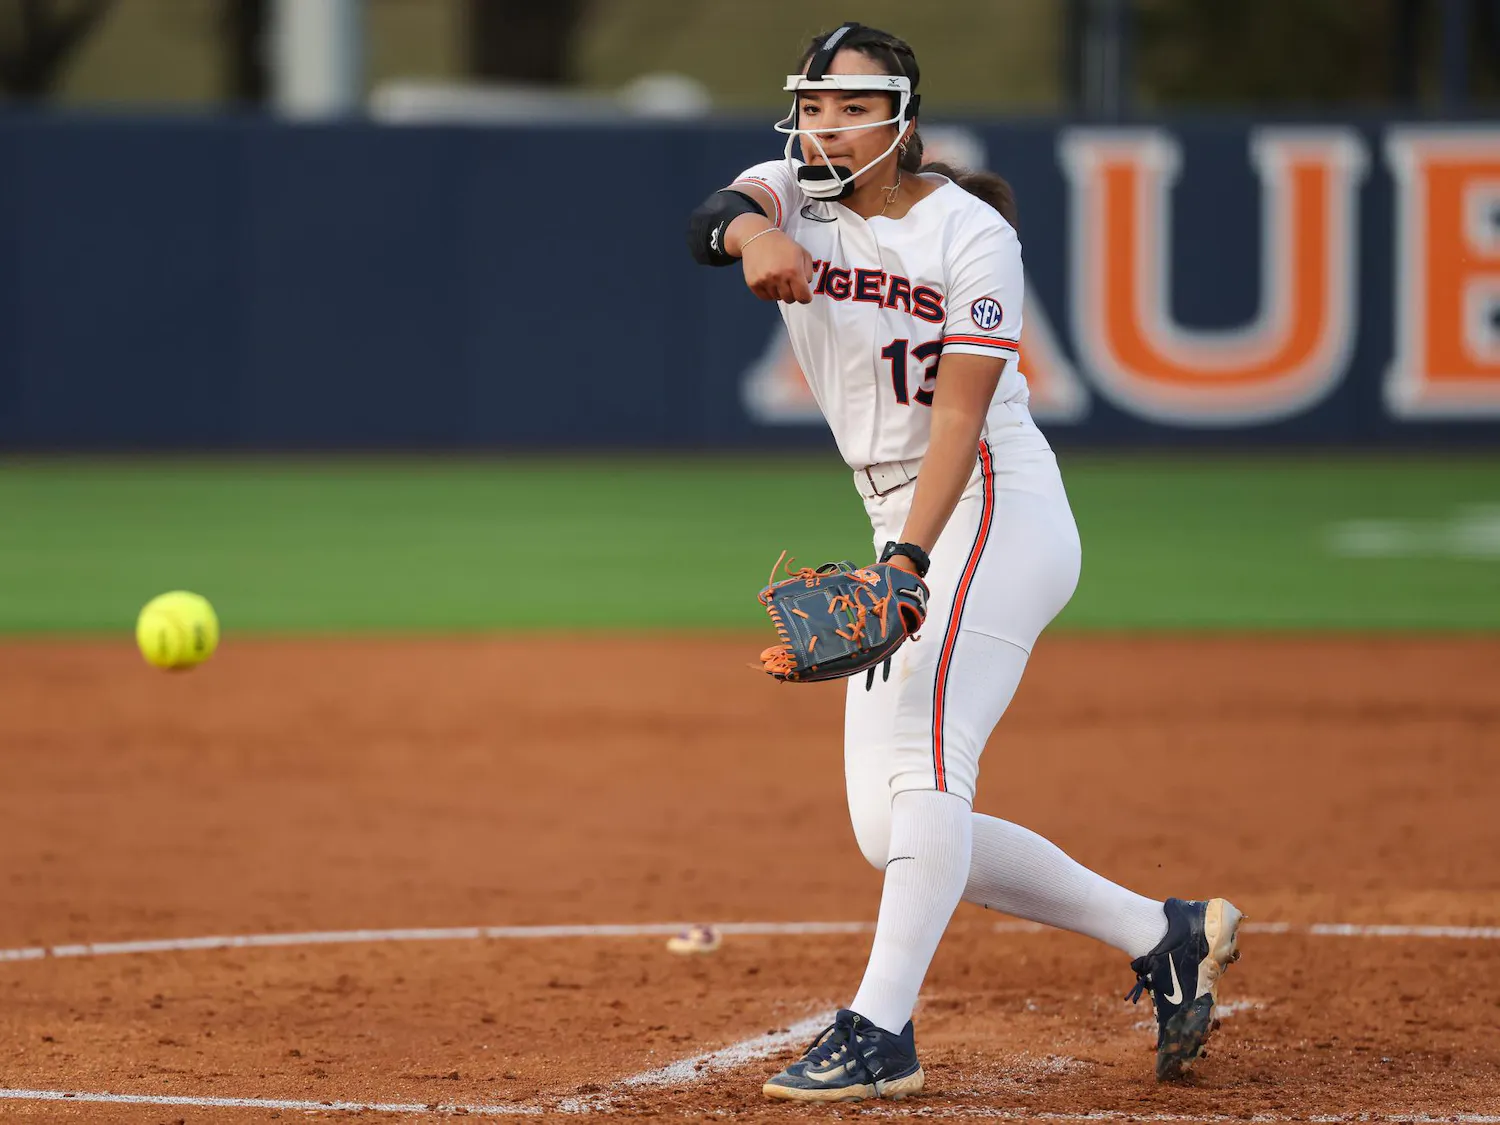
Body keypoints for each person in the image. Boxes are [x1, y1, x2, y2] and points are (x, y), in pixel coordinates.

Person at [685, 22, 1243, 1103]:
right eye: (812, 106)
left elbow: (960, 420)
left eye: (850, 108)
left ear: (901, 117)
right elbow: (718, 215)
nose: (825, 127)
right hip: (904, 517)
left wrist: (904, 565)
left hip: (991, 505)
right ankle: (1163, 934)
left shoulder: (971, 232)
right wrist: (755, 240)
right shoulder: (789, 194)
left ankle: (878, 1030)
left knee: (931, 766)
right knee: (889, 827)